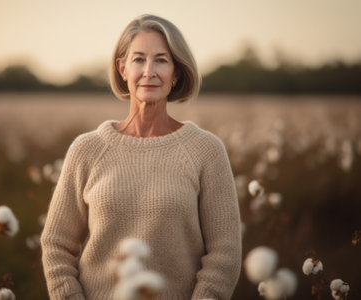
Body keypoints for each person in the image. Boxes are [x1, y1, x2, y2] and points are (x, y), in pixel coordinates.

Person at [41, 14, 241, 300]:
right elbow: (56, 245)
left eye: (161, 60)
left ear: (176, 73)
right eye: (138, 60)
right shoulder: (87, 150)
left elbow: (225, 252)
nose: (149, 71)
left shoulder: (206, 151)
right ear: (122, 69)